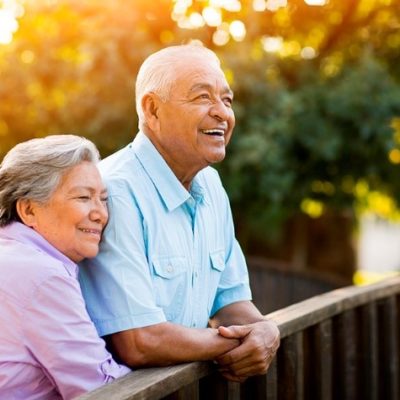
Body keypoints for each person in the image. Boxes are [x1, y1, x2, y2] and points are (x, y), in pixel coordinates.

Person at [79, 44, 280, 382]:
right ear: (153, 109)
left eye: (227, 100)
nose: (222, 113)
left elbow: (229, 301)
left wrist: (265, 330)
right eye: (203, 98)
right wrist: (234, 343)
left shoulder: (212, 185)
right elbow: (139, 341)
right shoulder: (114, 190)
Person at [0, 135, 130, 399]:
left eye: (103, 199)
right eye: (84, 197)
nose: (101, 214)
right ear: (29, 210)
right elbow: (100, 387)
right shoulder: (41, 274)